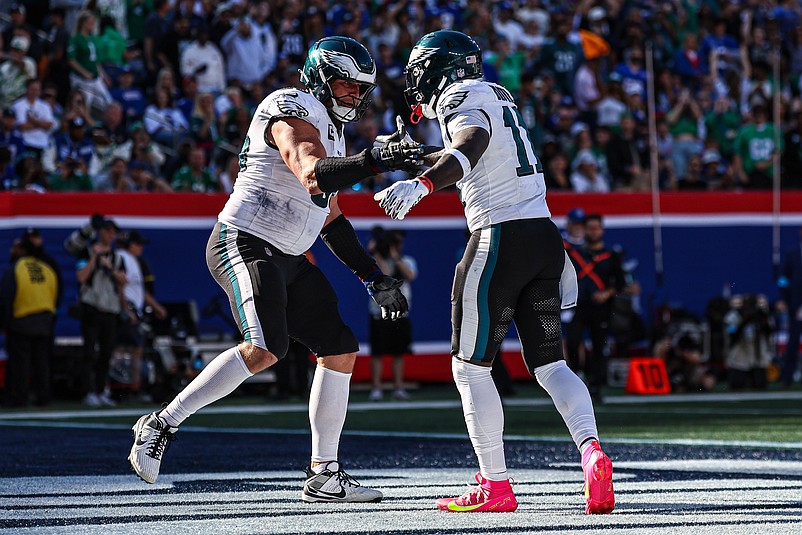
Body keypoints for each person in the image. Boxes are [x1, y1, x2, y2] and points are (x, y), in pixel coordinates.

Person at [128, 36, 421, 502]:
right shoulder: (289, 106)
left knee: (340, 346)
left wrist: (373, 276)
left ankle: (325, 473)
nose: (355, 97)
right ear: (321, 78)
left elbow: (330, 216)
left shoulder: (332, 130)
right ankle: (161, 422)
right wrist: (372, 161)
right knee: (267, 347)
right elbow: (310, 171)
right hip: (244, 240)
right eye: (347, 85)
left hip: (289, 253)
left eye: (360, 89)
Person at [374, 30, 614, 514]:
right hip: (544, 238)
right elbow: (477, 153)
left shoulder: (458, 96)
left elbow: (472, 144)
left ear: (439, 69)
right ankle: (591, 450)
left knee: (468, 367)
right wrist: (417, 158)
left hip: (498, 236)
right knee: (551, 365)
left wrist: (420, 185)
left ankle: (494, 484)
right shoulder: (497, 95)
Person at [65, 216, 126, 407]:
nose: (110, 235)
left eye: (113, 232)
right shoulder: (86, 252)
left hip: (110, 308)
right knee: (89, 351)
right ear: (100, 232)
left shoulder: (117, 257)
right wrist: (94, 257)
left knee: (106, 352)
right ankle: (87, 391)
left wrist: (110, 268)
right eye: (107, 231)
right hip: (91, 307)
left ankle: (101, 390)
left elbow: (123, 281)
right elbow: (81, 277)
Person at [565, 213, 626, 402]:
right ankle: (577, 377)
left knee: (599, 347)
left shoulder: (610, 254)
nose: (593, 232)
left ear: (602, 230)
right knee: (573, 341)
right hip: (579, 306)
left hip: (601, 308)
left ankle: (596, 386)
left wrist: (606, 294)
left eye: (596, 228)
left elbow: (621, 282)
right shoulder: (575, 253)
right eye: (590, 228)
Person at [0, 237, 59, 407]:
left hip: (22, 319)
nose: (12, 251)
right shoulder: (47, 268)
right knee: (42, 362)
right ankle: (44, 397)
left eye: (16, 248)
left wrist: (4, 322)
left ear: (23, 250)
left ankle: (19, 398)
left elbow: (6, 297)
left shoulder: (16, 268)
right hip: (45, 319)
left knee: (21, 362)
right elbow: (57, 293)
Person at [116, 230, 168, 401]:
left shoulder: (133, 260)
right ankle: (121, 388)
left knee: (136, 349)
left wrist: (156, 306)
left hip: (133, 310)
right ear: (131, 244)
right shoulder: (121, 257)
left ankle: (133, 387)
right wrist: (125, 308)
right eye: (138, 244)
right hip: (126, 310)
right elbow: (119, 286)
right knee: (123, 350)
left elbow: (138, 290)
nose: (141, 248)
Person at [367, 228, 417, 402]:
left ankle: (398, 387)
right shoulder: (376, 263)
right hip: (379, 314)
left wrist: (395, 256)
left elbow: (410, 275)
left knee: (399, 353)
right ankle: (376, 388)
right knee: (377, 353)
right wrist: (377, 254)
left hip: (401, 315)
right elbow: (385, 274)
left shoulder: (407, 261)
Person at [776, 229, 802, 387]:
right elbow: (783, 279)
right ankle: (787, 378)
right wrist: (781, 299)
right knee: (792, 343)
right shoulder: (792, 254)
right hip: (795, 305)